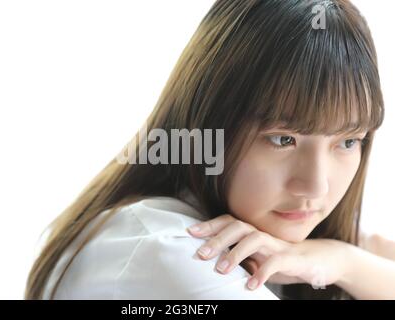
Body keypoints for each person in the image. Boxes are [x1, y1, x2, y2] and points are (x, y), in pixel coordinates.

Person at [25, 0, 394, 300]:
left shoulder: (281, 236)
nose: (316, 187)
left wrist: (345, 261)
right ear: (209, 124)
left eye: (347, 142)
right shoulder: (176, 251)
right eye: (283, 139)